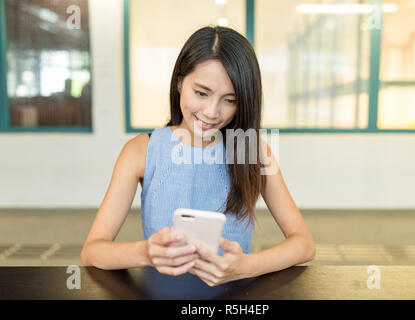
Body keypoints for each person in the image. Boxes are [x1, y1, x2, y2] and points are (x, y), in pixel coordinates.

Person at [80, 25, 315, 287]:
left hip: (234, 297)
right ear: (180, 83)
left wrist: (247, 266)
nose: (212, 112)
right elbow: (92, 251)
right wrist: (145, 253)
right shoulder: (143, 150)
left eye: (230, 100)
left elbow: (304, 244)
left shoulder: (252, 150)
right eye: (201, 93)